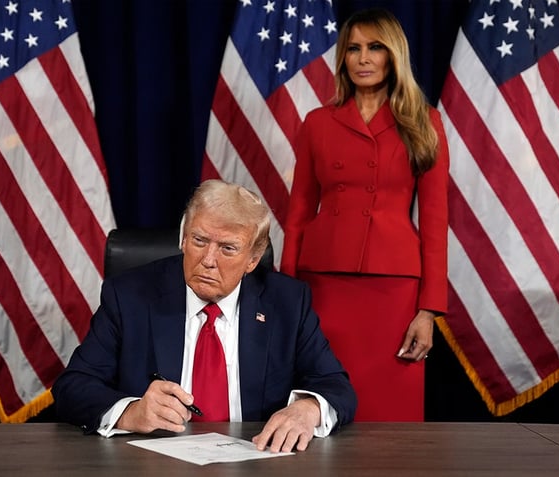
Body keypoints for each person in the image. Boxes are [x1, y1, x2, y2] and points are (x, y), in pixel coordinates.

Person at [53, 179, 357, 452]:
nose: (208, 260)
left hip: (256, 461)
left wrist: (308, 410)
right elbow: (73, 387)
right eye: (199, 241)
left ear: (252, 259)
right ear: (183, 239)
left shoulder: (287, 302)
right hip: (152, 463)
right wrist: (130, 412)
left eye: (227, 248)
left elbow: (337, 387)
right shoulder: (130, 296)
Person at [280, 8, 449, 422]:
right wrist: (285, 292)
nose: (363, 58)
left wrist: (428, 311)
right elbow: (298, 213)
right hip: (324, 284)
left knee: (392, 408)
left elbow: (434, 220)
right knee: (320, 402)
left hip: (394, 289)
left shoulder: (424, 122)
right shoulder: (318, 123)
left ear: (393, 56)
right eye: (353, 48)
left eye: (375, 47)